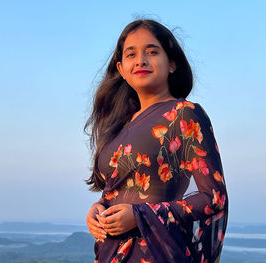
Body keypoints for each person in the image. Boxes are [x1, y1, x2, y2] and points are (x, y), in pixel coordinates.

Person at [85, 19, 228, 263]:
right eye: (131, 54)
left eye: (151, 52)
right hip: (111, 253)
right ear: (121, 69)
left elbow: (214, 197)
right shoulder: (120, 126)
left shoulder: (184, 114)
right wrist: (98, 208)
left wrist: (140, 215)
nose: (141, 60)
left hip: (155, 253)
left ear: (171, 63)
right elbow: (120, 189)